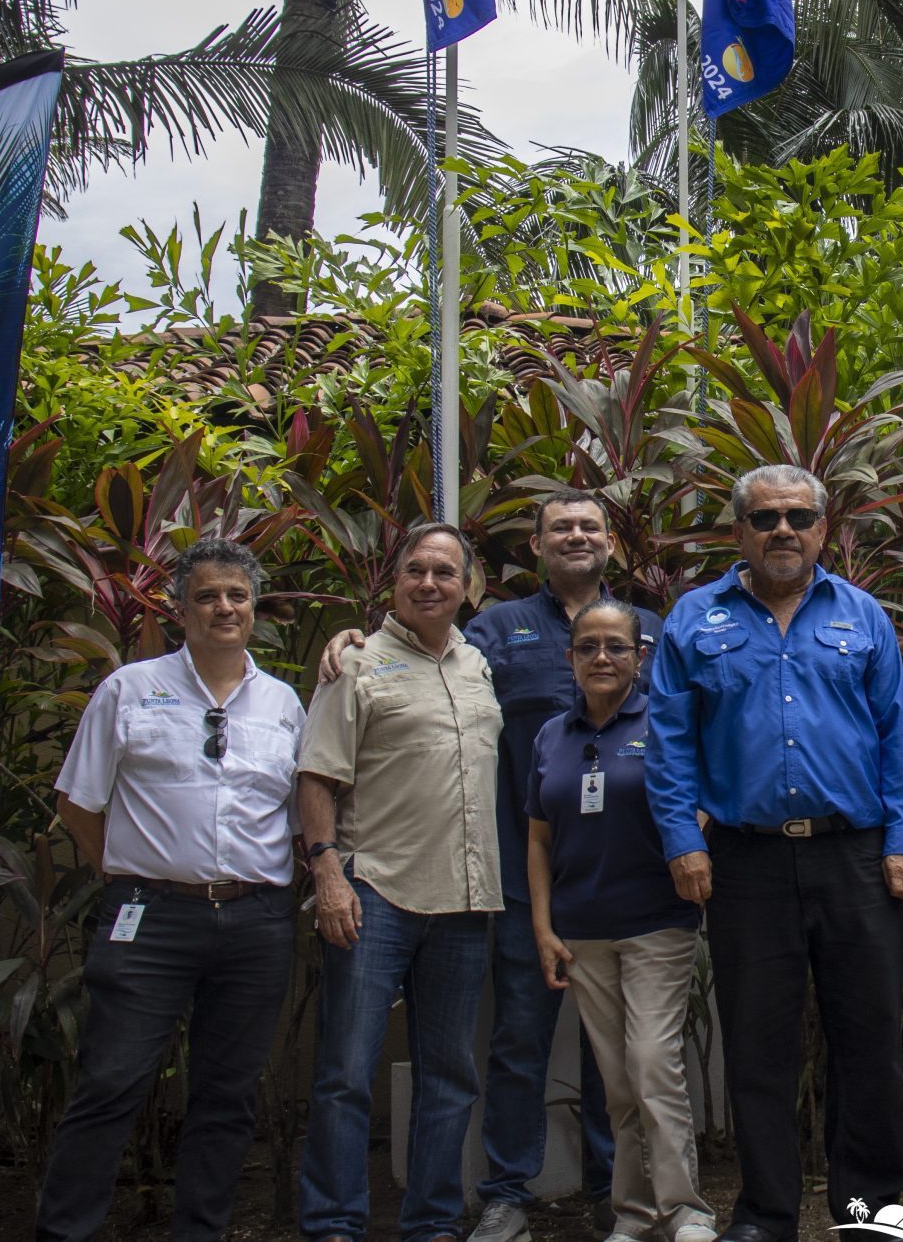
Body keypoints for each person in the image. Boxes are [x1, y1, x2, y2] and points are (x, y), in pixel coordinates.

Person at [321, 491, 651, 1242]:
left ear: (612, 545)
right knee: (517, 1042)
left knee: (613, 1047)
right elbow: (424, 663)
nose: (575, 536)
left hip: (623, 881)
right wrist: (350, 641)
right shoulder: (494, 631)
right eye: (559, 525)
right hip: (517, 878)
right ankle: (508, 1191)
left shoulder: (646, 631)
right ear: (534, 545)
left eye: (589, 527)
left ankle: (613, 1187)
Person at [644, 463, 903, 1242]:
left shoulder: (860, 615)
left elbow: (895, 736)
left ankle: (870, 1211)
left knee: (867, 1038)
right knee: (758, 1045)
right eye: (765, 518)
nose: (783, 532)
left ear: (823, 530)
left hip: (855, 858)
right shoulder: (694, 620)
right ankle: (767, 1215)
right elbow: (668, 745)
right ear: (739, 531)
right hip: (744, 862)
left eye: (799, 517)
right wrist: (679, 842)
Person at [36, 538, 305, 1242]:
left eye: (238, 596)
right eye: (209, 595)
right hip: (148, 919)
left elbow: (298, 811)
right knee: (110, 1083)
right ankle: (63, 1233)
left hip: (256, 923)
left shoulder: (283, 703)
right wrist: (127, 874)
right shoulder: (129, 689)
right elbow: (77, 803)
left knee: (226, 1096)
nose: (225, 607)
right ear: (180, 608)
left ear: (254, 609)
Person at [297, 522, 508, 1242]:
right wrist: (328, 871)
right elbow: (317, 775)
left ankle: (433, 1222)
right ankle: (332, 1222)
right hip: (375, 892)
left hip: (464, 899)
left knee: (449, 1077)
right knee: (346, 1073)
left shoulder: (478, 666)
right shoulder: (353, 665)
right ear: (394, 581)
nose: (429, 583)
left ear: (465, 587)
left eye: (444, 573)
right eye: (416, 569)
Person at [528, 599, 714, 1242]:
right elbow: (538, 841)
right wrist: (544, 928)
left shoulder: (666, 722)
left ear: (641, 657)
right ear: (570, 657)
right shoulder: (552, 736)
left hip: (658, 923)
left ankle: (686, 1210)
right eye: (588, 647)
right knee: (615, 1080)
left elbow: (702, 804)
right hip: (582, 930)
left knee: (652, 1062)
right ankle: (633, 1214)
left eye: (616, 647)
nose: (601, 658)